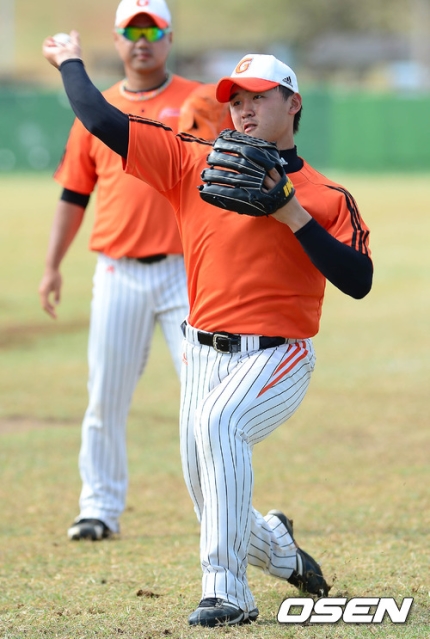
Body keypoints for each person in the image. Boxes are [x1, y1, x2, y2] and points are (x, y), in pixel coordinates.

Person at [42, 37, 373, 626]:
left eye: (258, 97)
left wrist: (291, 213)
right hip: (203, 352)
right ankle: (277, 547)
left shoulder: (324, 195)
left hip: (279, 354)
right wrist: (70, 60)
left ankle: (228, 593)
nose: (242, 109)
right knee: (208, 490)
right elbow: (100, 118)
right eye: (234, 99)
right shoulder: (194, 160)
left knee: (221, 427)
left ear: (292, 103)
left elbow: (358, 280)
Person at [38, 0, 201, 542]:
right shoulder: (96, 109)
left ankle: (217, 509)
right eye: (131, 30)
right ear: (115, 40)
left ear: (169, 38)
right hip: (118, 270)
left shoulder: (200, 103)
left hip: (186, 273)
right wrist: (52, 265)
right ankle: (99, 507)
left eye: (152, 29)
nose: (142, 40)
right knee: (105, 395)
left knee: (205, 397)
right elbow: (73, 191)